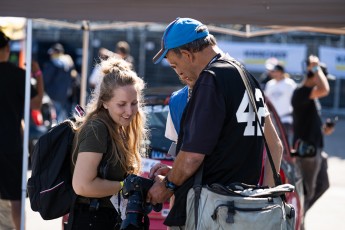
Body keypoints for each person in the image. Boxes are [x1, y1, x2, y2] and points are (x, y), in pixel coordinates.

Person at [146, 17, 283, 229]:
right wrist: (260, 204)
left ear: (187, 54)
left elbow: (192, 156)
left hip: (211, 214)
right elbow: (276, 146)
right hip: (242, 213)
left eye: (175, 65)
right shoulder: (245, 75)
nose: (178, 74)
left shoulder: (211, 79)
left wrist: (168, 184)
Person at [67, 56, 147, 229]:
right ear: (104, 103)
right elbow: (82, 185)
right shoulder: (97, 128)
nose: (129, 111)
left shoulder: (118, 126)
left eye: (134, 103)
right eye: (121, 104)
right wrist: (124, 186)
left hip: (107, 218)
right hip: (91, 220)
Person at [0, 30, 44, 230]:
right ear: (6, 49)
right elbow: (36, 104)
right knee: (16, 197)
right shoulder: (18, 75)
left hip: (11, 145)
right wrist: (38, 74)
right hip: (11, 145)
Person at [291, 55, 333, 214]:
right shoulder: (300, 93)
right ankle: (299, 219)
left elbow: (308, 124)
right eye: (321, 77)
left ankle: (301, 215)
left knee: (323, 185)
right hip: (306, 152)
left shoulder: (309, 96)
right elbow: (325, 89)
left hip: (315, 149)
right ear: (313, 76)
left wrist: (324, 130)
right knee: (306, 192)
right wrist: (315, 68)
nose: (322, 80)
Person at [42, 43, 79, 122]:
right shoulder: (69, 63)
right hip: (66, 94)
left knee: (56, 119)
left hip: (53, 95)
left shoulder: (52, 64)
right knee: (65, 118)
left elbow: (45, 79)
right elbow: (73, 78)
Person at [264, 63, 296, 145]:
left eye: (276, 71)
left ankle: (284, 158)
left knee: (283, 143)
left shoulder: (289, 84)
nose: (274, 73)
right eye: (273, 71)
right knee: (270, 143)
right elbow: (266, 100)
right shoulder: (270, 84)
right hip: (272, 119)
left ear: (281, 72)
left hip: (285, 118)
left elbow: (295, 100)